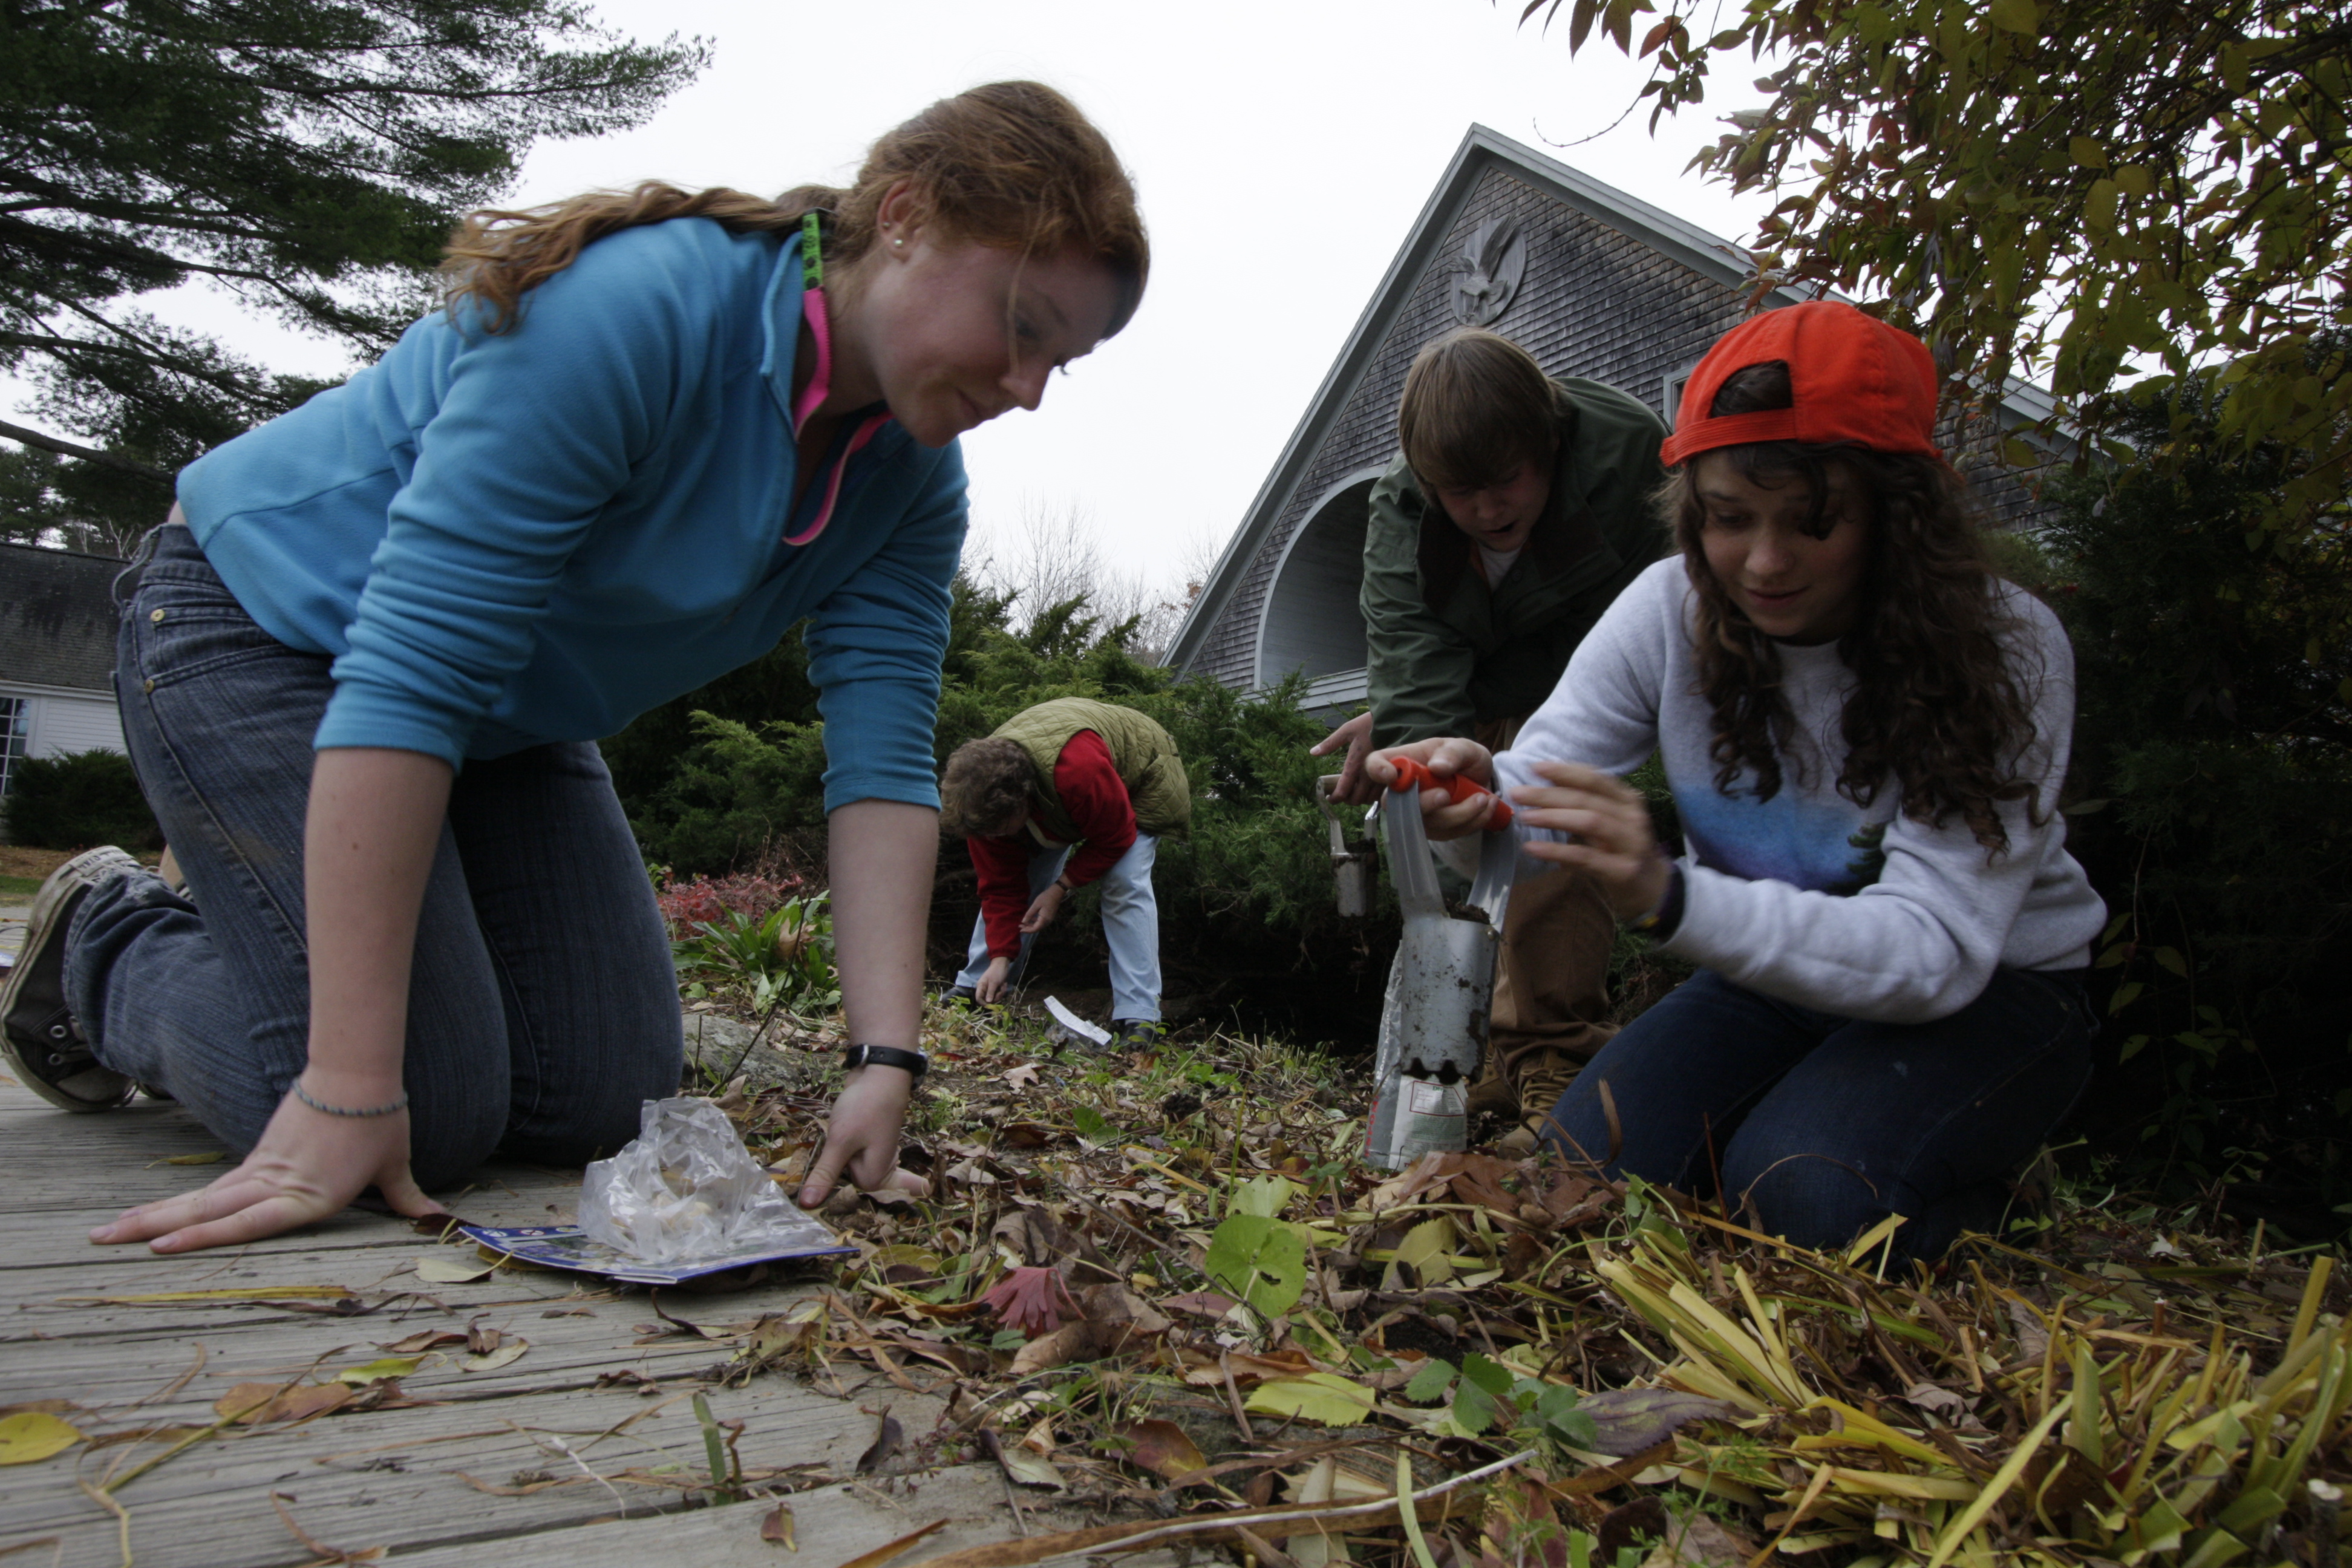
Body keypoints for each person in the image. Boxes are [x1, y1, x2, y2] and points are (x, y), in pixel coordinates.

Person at [0, 81, 1148, 1255]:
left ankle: (295, 921)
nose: (1027, 391)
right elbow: (411, 676)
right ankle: (105, 943)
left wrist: (884, 1058)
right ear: (904, 216)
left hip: (506, 715)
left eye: (1064, 359)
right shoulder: (638, 312)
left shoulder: (909, 483)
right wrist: (348, 1083)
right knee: (416, 1109)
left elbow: (884, 769)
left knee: (599, 1095)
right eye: (1020, 326)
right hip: (262, 630)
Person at [1366, 301, 2106, 1263]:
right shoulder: (1668, 608)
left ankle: (1987, 1196)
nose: (1763, 562)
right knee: (1587, 1178)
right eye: (1727, 519)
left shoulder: (2002, 649)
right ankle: (1834, 1114)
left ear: (1897, 512)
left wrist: (1670, 895)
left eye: (1813, 521)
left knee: (1807, 1197)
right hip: (1770, 981)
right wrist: (1468, 807)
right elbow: (1530, 799)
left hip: (1991, 994)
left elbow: (1932, 953)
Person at [1314, 329, 1667, 1152]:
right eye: (1458, 493)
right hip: (1474, 692)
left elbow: (1664, 619)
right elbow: (1413, 660)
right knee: (1479, 840)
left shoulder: (1628, 460)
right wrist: (1419, 769)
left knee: (1551, 818)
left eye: (1505, 481)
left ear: (1548, 438)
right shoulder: (1403, 511)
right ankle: (1502, 1050)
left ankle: (1560, 1055)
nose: (1485, 510)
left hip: (1599, 682)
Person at [937, 697, 1188, 1047]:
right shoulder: (980, 806)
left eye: (1002, 829)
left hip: (1144, 768)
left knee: (1123, 883)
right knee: (1022, 882)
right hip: (1062, 788)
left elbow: (1115, 838)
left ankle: (1140, 1017)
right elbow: (1000, 887)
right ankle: (981, 984)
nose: (995, 839)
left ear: (1023, 802)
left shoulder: (1076, 771)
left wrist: (1060, 888)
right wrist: (1000, 958)